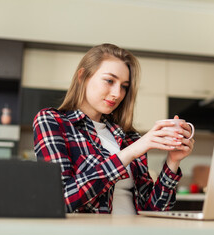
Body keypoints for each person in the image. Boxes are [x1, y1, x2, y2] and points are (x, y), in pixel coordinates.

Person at [33, 43, 194, 214]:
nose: (117, 93)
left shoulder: (129, 137)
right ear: (82, 77)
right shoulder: (53, 121)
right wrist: (129, 153)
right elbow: (59, 199)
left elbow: (154, 211)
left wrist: (173, 161)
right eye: (109, 81)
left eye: (124, 86)